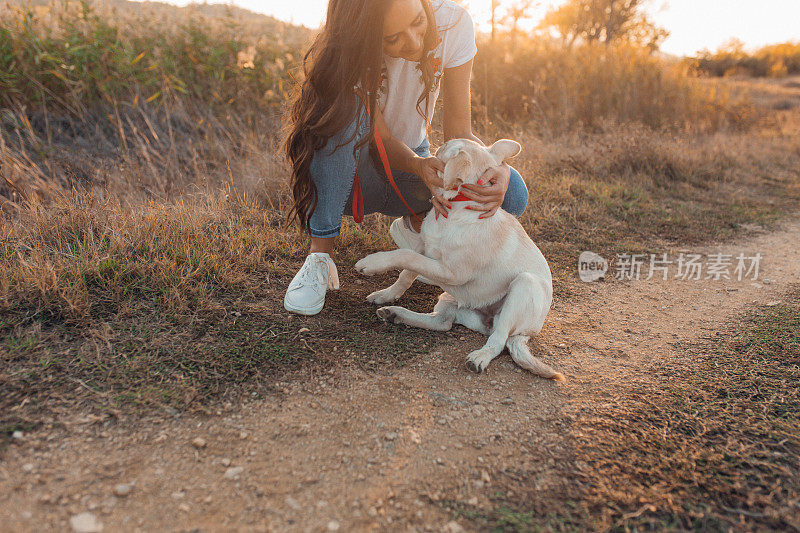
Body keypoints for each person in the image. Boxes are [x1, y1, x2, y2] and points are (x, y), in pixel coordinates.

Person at [282, 0, 529, 315]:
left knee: (513, 193)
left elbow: (458, 131)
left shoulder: (454, 23)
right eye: (391, 39)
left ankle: (419, 226)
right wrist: (418, 165)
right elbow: (381, 140)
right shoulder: (352, 45)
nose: (413, 43)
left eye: (417, 21)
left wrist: (497, 168)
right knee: (344, 113)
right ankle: (319, 258)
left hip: (413, 172)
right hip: (352, 179)